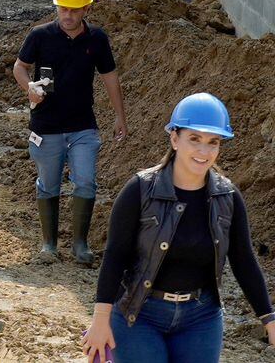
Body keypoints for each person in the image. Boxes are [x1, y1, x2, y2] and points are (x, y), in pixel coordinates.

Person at [82, 93, 275, 362]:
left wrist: (269, 319)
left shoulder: (227, 197)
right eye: (194, 139)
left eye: (213, 142)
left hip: (201, 319)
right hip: (138, 316)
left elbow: (244, 260)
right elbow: (115, 256)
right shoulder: (140, 190)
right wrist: (100, 321)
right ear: (174, 139)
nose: (204, 151)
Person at [14, 0, 128, 264]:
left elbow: (110, 77)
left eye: (74, 10)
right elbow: (20, 66)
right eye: (63, 8)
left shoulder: (97, 40)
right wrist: (28, 87)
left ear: (86, 10)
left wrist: (119, 116)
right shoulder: (40, 36)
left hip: (82, 126)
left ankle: (80, 244)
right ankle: (49, 244)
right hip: (47, 126)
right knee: (48, 185)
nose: (68, 15)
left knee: (86, 181)